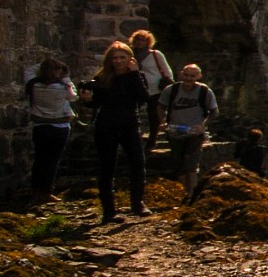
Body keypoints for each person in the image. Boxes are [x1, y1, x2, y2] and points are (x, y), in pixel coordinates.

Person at [87, 41, 148, 222]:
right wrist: (86, 99)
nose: (119, 61)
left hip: (129, 124)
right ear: (110, 60)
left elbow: (143, 98)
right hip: (107, 125)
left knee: (137, 163)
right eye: (115, 58)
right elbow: (95, 103)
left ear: (130, 59)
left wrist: (135, 74)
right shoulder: (103, 78)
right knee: (107, 167)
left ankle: (137, 203)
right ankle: (109, 210)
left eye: (122, 57)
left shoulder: (136, 76)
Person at [157, 63, 220, 202]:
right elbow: (161, 107)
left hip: (194, 133)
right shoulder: (171, 90)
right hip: (175, 132)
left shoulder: (204, 91)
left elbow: (214, 111)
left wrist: (202, 125)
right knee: (178, 164)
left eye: (192, 76)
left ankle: (191, 196)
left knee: (191, 165)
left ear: (199, 77)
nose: (189, 79)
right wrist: (162, 121)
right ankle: (182, 195)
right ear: (181, 74)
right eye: (186, 75)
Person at [22, 58, 76, 201]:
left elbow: (28, 70)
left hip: (40, 126)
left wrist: (45, 65)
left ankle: (35, 190)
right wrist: (65, 75)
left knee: (39, 159)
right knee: (52, 161)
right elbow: (73, 97)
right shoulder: (62, 87)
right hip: (60, 127)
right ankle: (46, 191)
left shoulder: (33, 85)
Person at [129, 28, 174, 143]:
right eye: (138, 40)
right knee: (133, 111)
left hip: (155, 87)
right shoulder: (130, 55)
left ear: (148, 42)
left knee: (153, 113)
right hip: (137, 86)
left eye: (143, 40)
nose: (140, 42)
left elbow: (166, 70)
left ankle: (153, 137)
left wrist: (168, 84)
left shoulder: (155, 54)